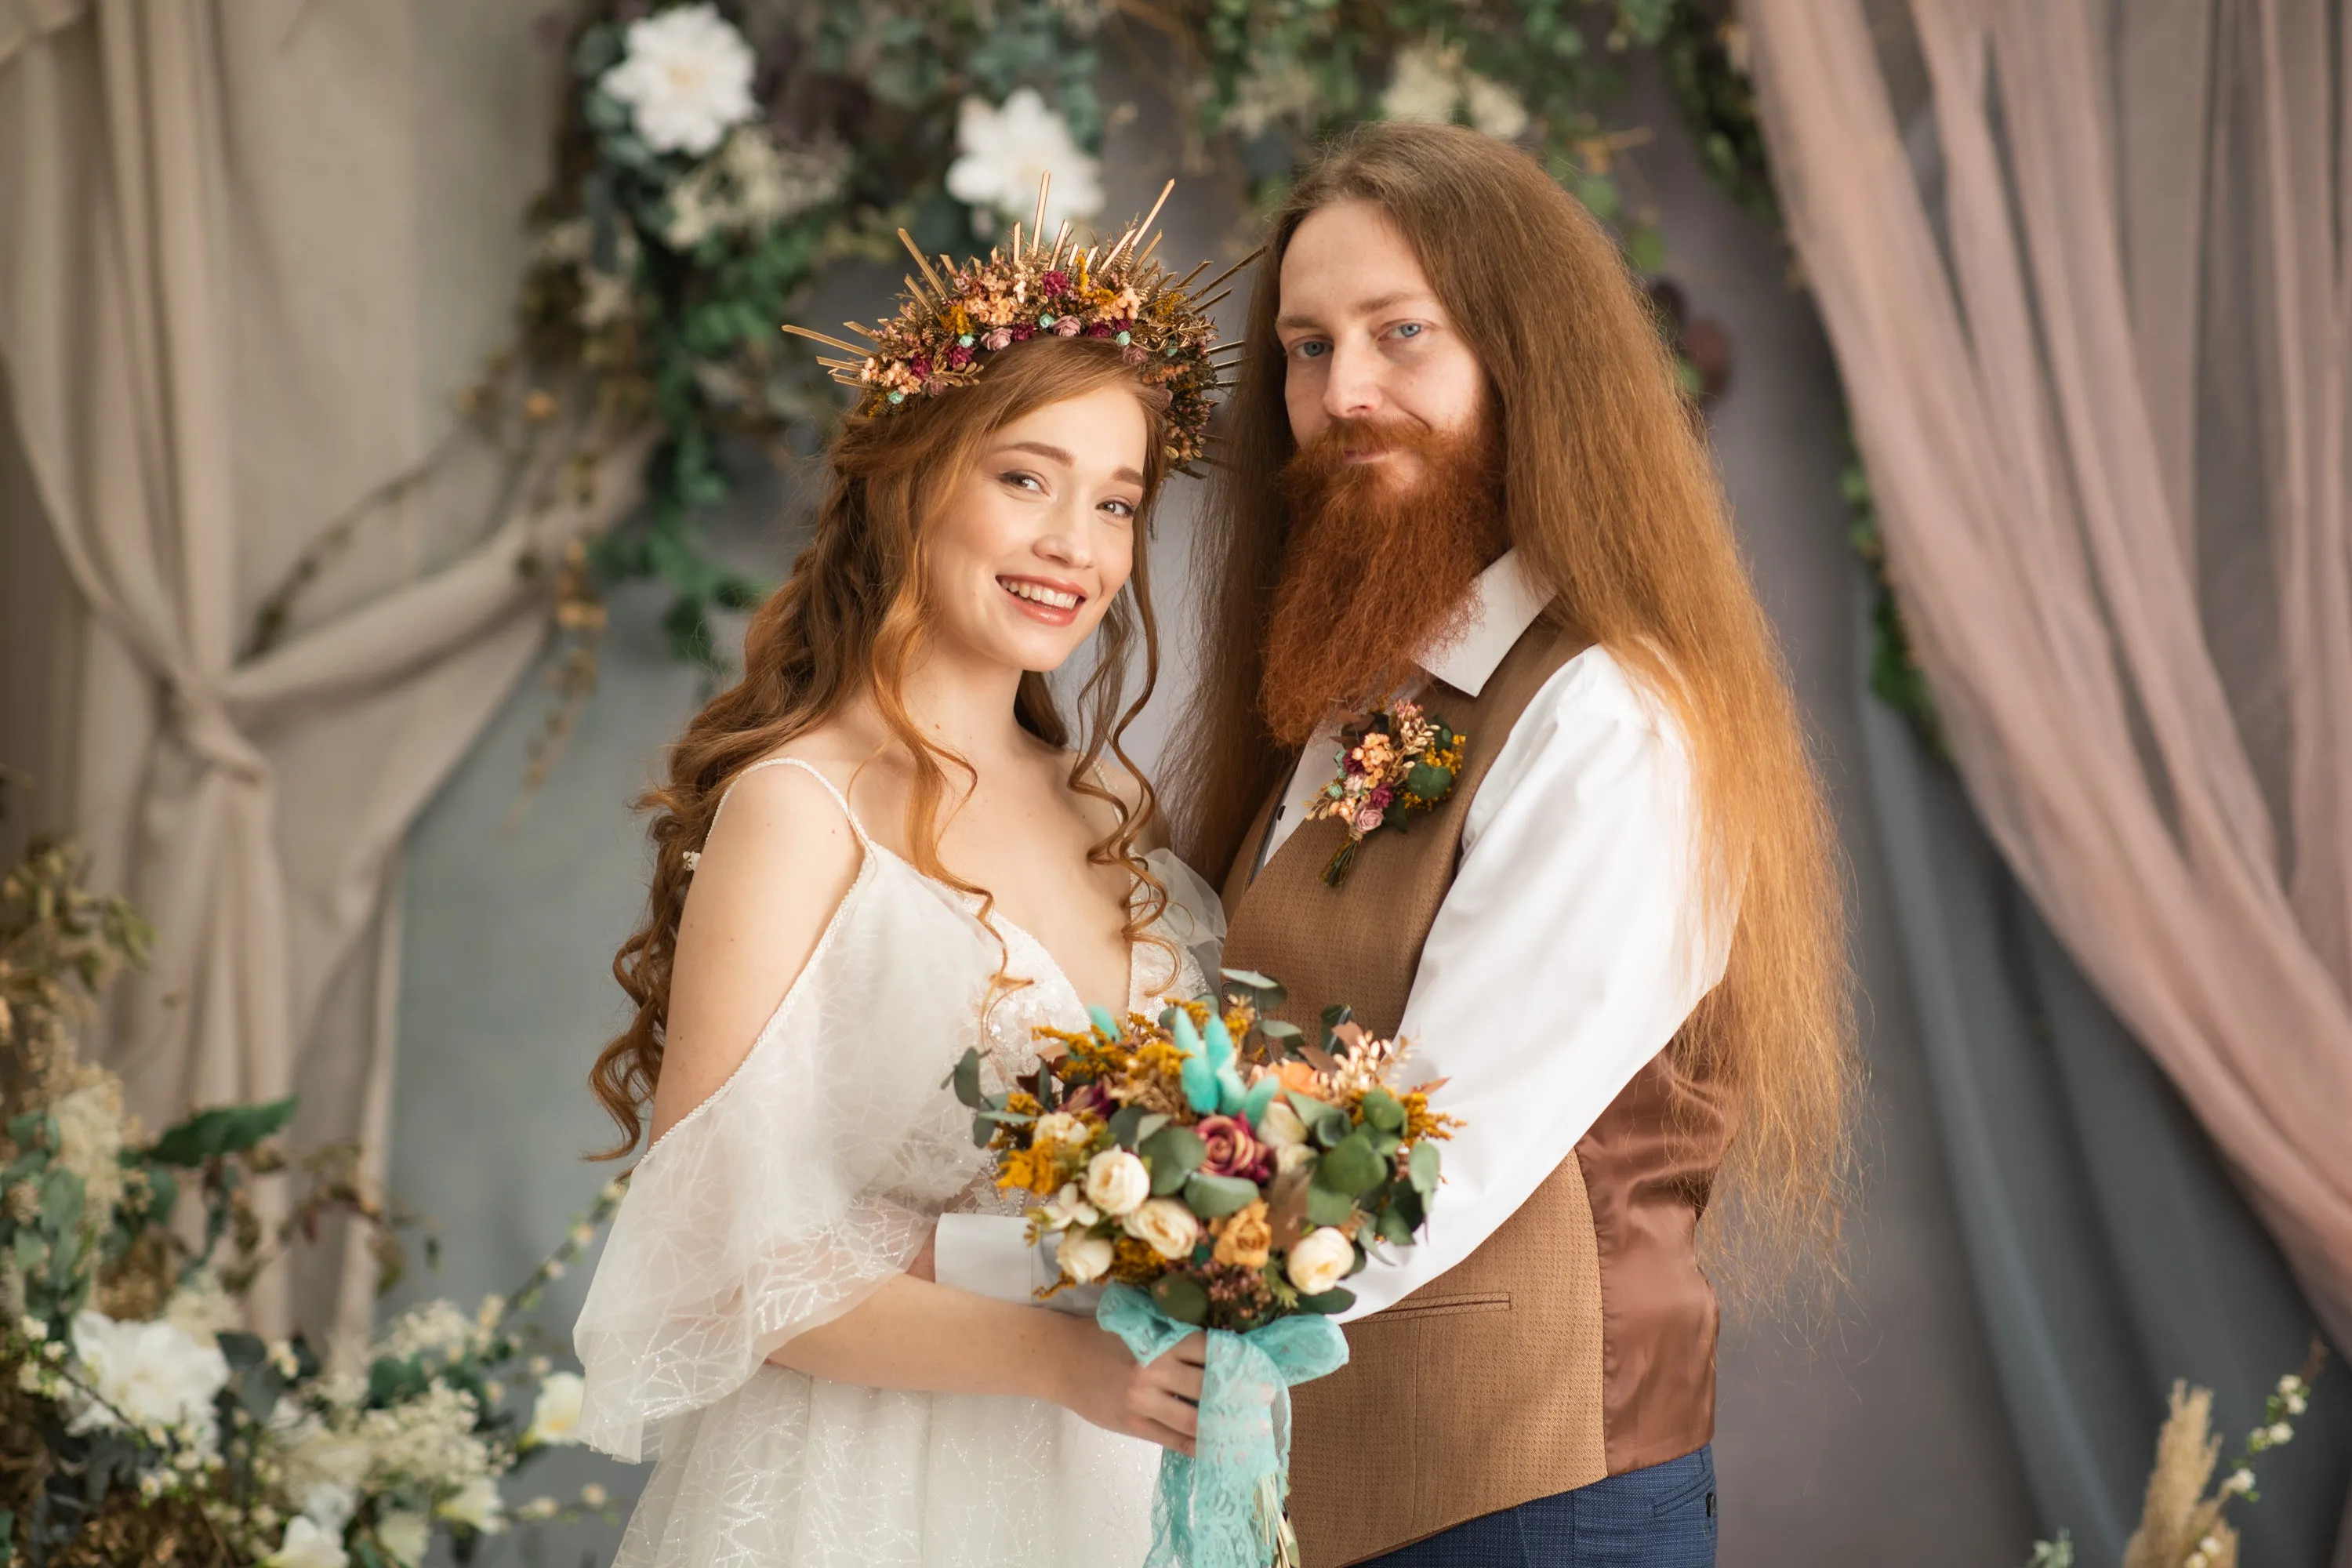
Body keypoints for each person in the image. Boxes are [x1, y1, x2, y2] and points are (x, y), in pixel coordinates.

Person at [1167, 122, 1861, 1567]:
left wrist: (1042, 1280)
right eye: (1305, 347)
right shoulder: (1362, 689)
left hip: (1530, 1500)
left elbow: (1424, 1159)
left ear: (1524, 359)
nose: (1342, 391)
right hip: (1340, 1481)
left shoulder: (1609, 718)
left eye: (1399, 334)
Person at [572, 198, 1234, 1568]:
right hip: (868, 1490)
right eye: (1025, 478)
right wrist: (1066, 1368)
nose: (1076, 543)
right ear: (912, 477)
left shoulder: (1113, 811)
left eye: (1115, 503)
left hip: (1119, 1484)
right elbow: (718, 1252)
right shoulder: (799, 809)